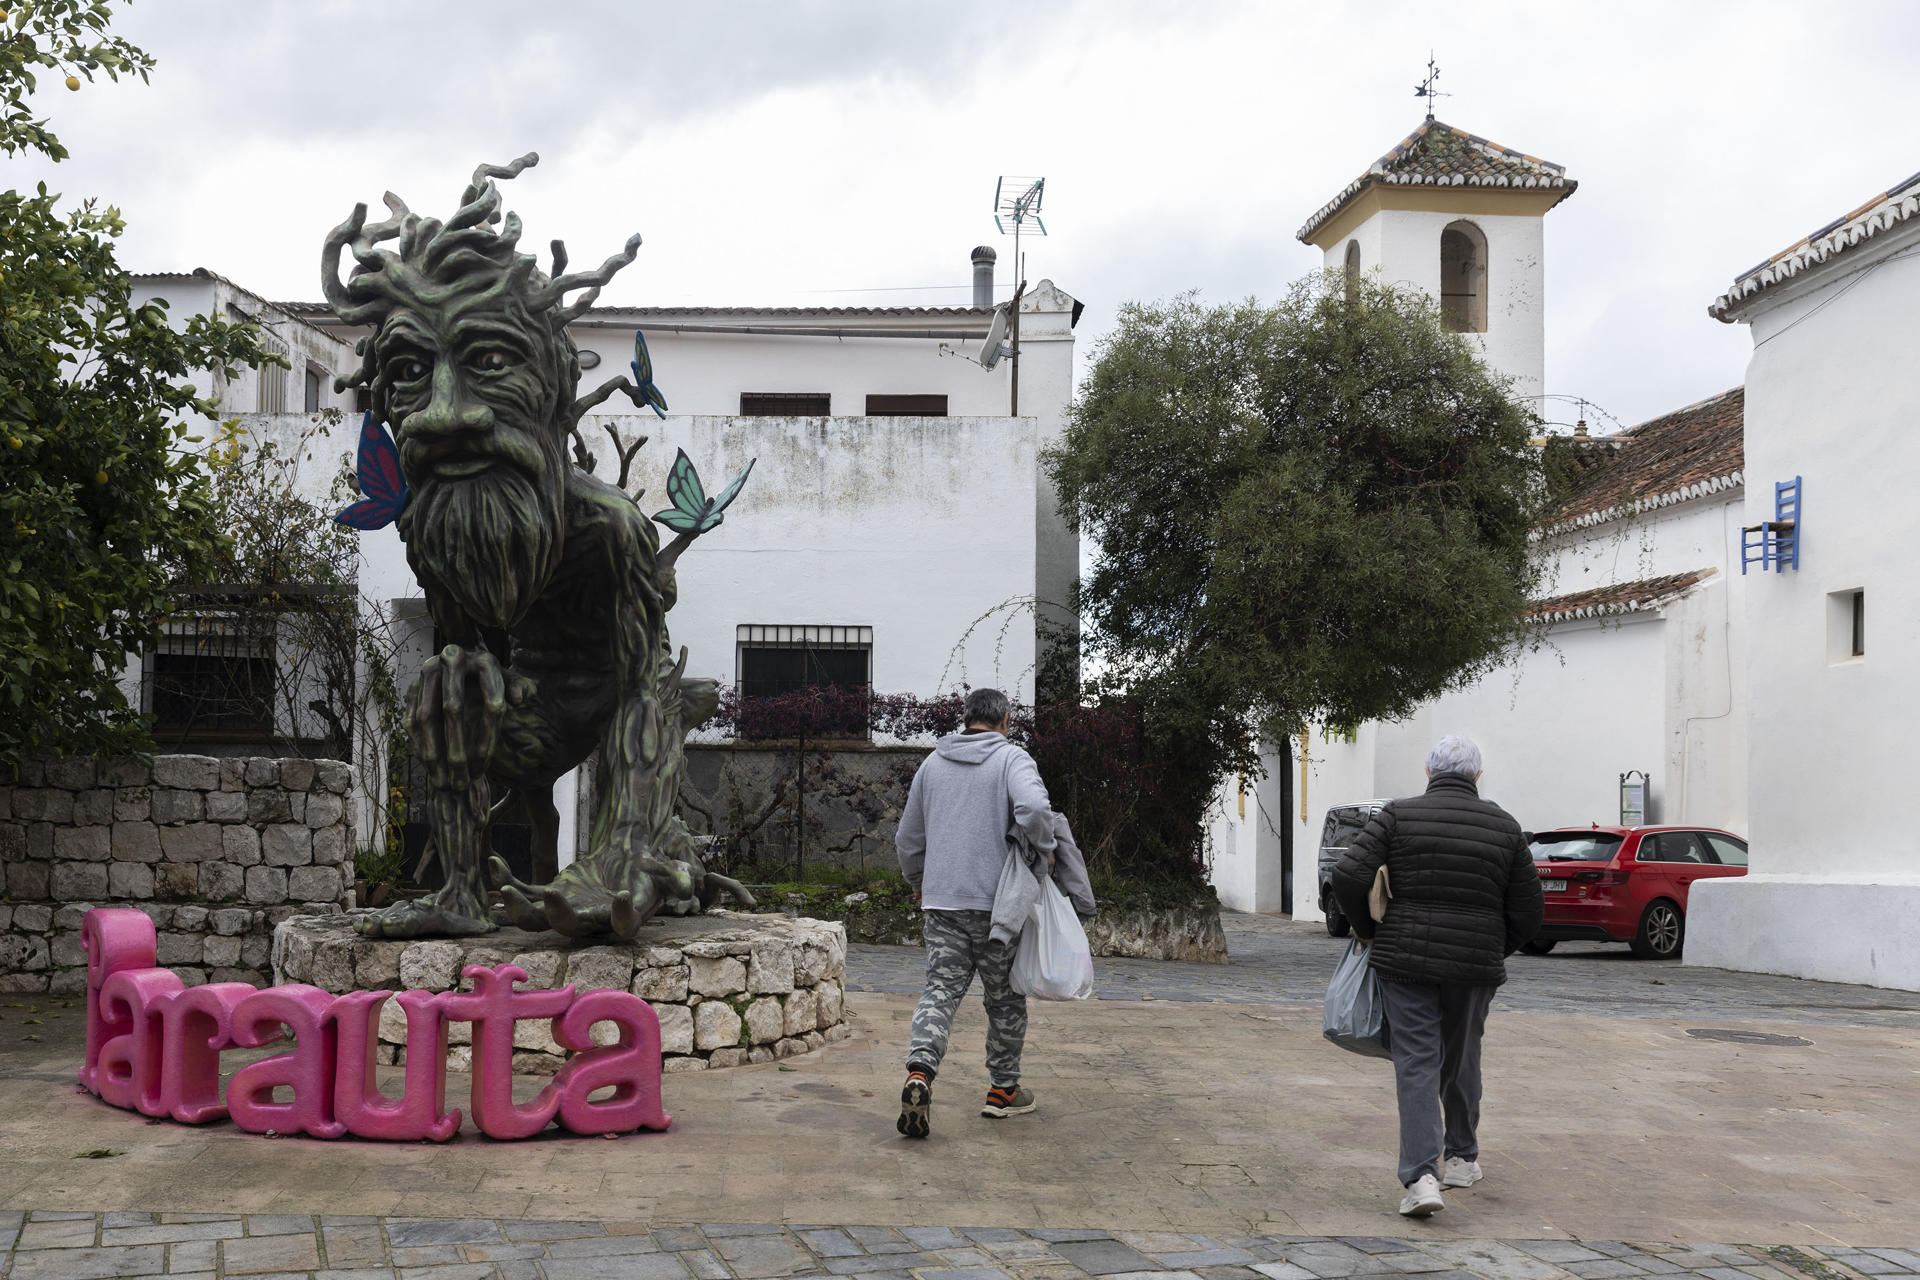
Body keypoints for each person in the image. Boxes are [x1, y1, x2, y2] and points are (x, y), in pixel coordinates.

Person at [1330, 734, 1543, 1218]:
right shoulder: (1504, 825)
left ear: (1428, 774)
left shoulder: (1398, 814)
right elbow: (1531, 910)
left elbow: (1347, 874)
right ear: (1477, 776)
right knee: (1464, 1053)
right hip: (1474, 965)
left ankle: (1422, 1177)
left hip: (1404, 961)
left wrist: (1367, 932)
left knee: (1417, 1060)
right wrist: (1494, 944)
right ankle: (1463, 1159)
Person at [892, 687, 1056, 1138]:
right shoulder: (1011, 760)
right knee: (1004, 999)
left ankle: (920, 1072)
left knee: (940, 991)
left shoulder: (932, 764)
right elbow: (1036, 809)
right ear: (1005, 720)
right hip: (997, 906)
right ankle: (1003, 1091)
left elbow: (907, 839)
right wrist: (1044, 850)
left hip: (943, 902)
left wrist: (918, 882)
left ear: (967, 720)